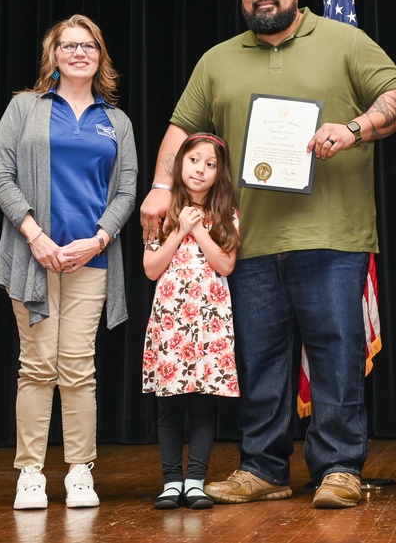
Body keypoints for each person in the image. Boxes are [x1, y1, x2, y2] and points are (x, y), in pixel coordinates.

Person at [139, 0, 396, 509]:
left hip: (331, 234)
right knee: (259, 360)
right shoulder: (218, 61)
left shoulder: (343, 41)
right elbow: (180, 129)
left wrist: (355, 128)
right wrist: (163, 186)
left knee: (336, 355)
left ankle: (338, 470)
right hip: (247, 241)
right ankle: (263, 467)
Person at [0, 14, 137, 509]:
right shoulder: (24, 108)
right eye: (68, 45)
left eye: (88, 45)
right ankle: (30, 473)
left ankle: (79, 471)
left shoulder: (116, 121)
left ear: (100, 56)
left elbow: (127, 191)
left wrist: (96, 241)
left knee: (77, 367)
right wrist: (35, 236)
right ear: (53, 56)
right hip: (33, 256)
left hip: (90, 260)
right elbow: (1, 176)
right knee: (36, 366)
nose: (79, 52)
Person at [142, 132, 240, 510]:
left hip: (208, 321)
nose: (200, 169)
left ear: (219, 174)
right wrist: (179, 228)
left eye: (210, 164)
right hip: (172, 320)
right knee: (170, 406)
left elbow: (226, 264)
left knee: (202, 405)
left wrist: (198, 228)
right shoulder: (162, 212)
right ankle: (171, 481)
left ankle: (195, 479)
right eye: (194, 160)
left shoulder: (227, 213)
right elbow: (151, 269)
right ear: (180, 164)